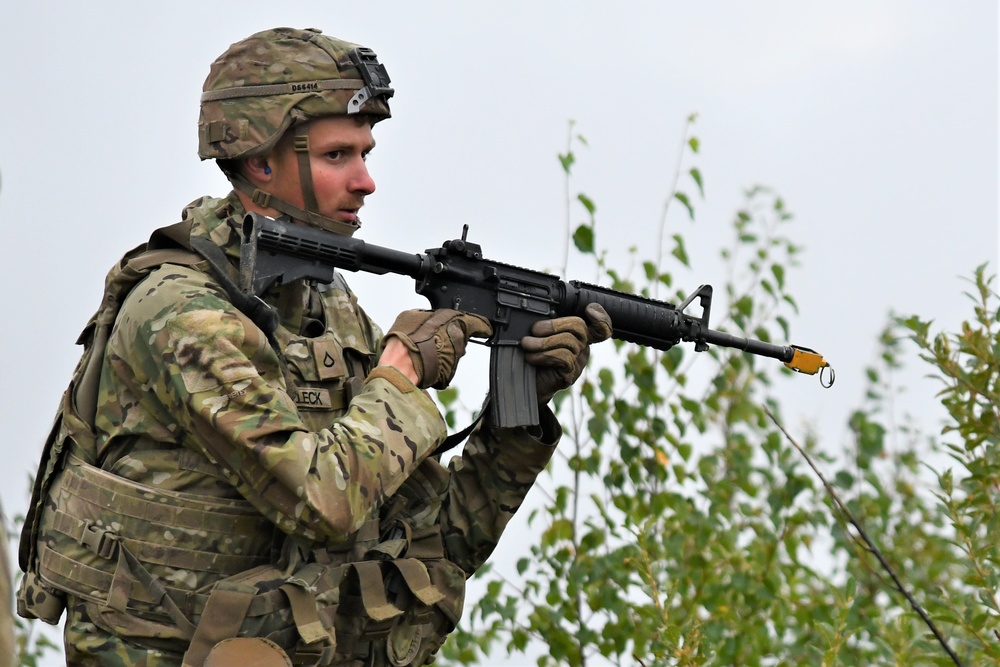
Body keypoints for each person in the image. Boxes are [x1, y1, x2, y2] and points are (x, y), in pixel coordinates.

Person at [16, 27, 611, 666]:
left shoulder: (325, 306)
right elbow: (323, 502)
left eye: (366, 154)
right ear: (260, 161)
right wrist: (401, 373)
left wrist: (512, 424)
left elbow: (432, 542)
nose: (366, 182)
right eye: (337, 156)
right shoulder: (183, 315)